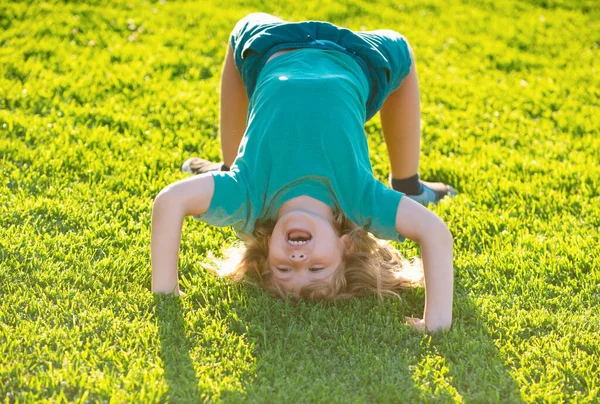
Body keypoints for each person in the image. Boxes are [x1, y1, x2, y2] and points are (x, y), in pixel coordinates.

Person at [151, 13, 455, 332]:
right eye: (317, 268)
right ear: (347, 247)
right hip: (358, 57)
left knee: (241, 36)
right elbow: (435, 233)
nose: (299, 262)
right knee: (402, 51)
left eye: (283, 269)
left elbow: (170, 201)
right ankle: (408, 185)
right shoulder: (361, 203)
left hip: (273, 46)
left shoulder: (248, 197)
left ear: (267, 252)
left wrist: (166, 291)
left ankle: (227, 167)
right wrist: (435, 322)